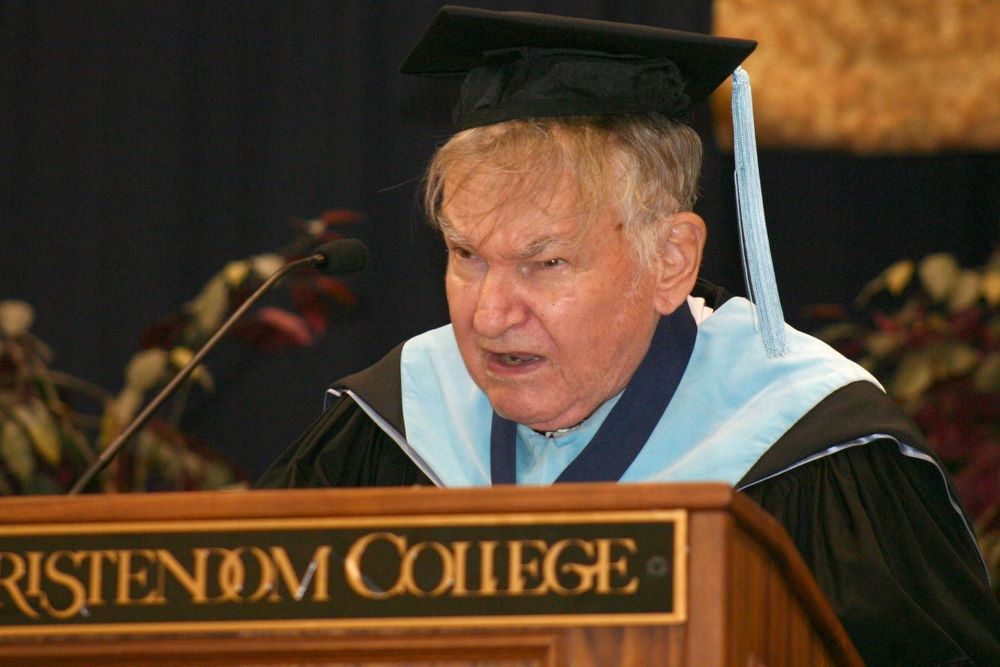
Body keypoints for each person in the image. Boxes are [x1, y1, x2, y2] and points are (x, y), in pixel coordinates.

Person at [258, 7, 1000, 665]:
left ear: (671, 261)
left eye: (544, 263)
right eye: (466, 255)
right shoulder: (393, 426)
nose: (488, 315)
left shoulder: (811, 446)